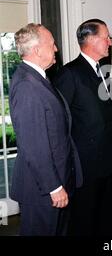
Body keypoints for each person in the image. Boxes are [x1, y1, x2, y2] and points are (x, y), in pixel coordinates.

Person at [9, 23, 82, 236]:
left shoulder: (37, 78)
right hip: (42, 189)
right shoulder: (27, 86)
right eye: (52, 44)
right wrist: (54, 187)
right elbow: (34, 145)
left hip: (52, 183)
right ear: (38, 50)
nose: (56, 48)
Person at [53, 19, 112, 236]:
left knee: (109, 220)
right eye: (106, 37)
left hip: (110, 164)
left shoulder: (103, 71)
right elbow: (58, 125)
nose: (109, 43)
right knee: (85, 223)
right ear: (91, 40)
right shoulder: (69, 74)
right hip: (86, 169)